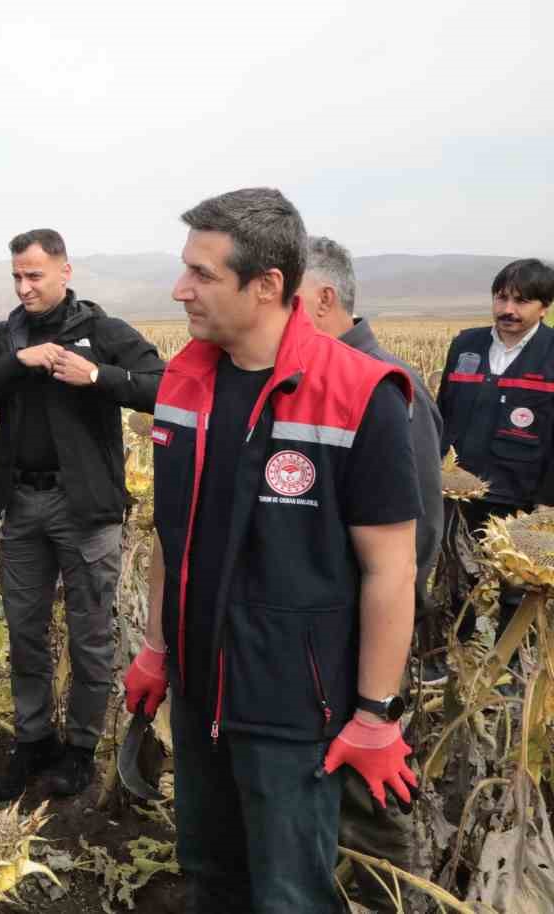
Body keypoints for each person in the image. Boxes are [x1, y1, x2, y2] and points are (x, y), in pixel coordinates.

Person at [124, 189, 420, 913]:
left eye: (201, 274)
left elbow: (392, 567)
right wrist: (159, 649)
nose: (178, 289)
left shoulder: (359, 394)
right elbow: (172, 533)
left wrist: (376, 715)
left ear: (266, 287)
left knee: (290, 893)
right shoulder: (183, 383)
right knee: (209, 870)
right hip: (199, 692)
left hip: (295, 707)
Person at [0, 228, 164, 800]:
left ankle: (80, 749)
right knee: (25, 631)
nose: (24, 286)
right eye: (17, 276)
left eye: (35, 275)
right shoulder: (7, 335)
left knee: (89, 634)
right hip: (24, 502)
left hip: (85, 509)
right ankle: (34, 741)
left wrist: (97, 377)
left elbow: (164, 386)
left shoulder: (101, 331)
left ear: (65, 272)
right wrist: (18, 362)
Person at [299, 234, 443, 911]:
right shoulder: (310, 380)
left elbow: (411, 549)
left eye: (288, 300)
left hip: (364, 649)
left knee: (372, 804)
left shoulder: (388, 392)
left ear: (325, 300)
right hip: (323, 647)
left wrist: (374, 680)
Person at [436, 258, 554, 636]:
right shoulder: (465, 345)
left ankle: (512, 663)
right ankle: (452, 653)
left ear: (544, 307)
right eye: (501, 298)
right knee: (454, 576)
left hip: (521, 492)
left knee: (517, 587)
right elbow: (443, 415)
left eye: (521, 301)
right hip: (461, 492)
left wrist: (548, 501)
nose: (508, 310)